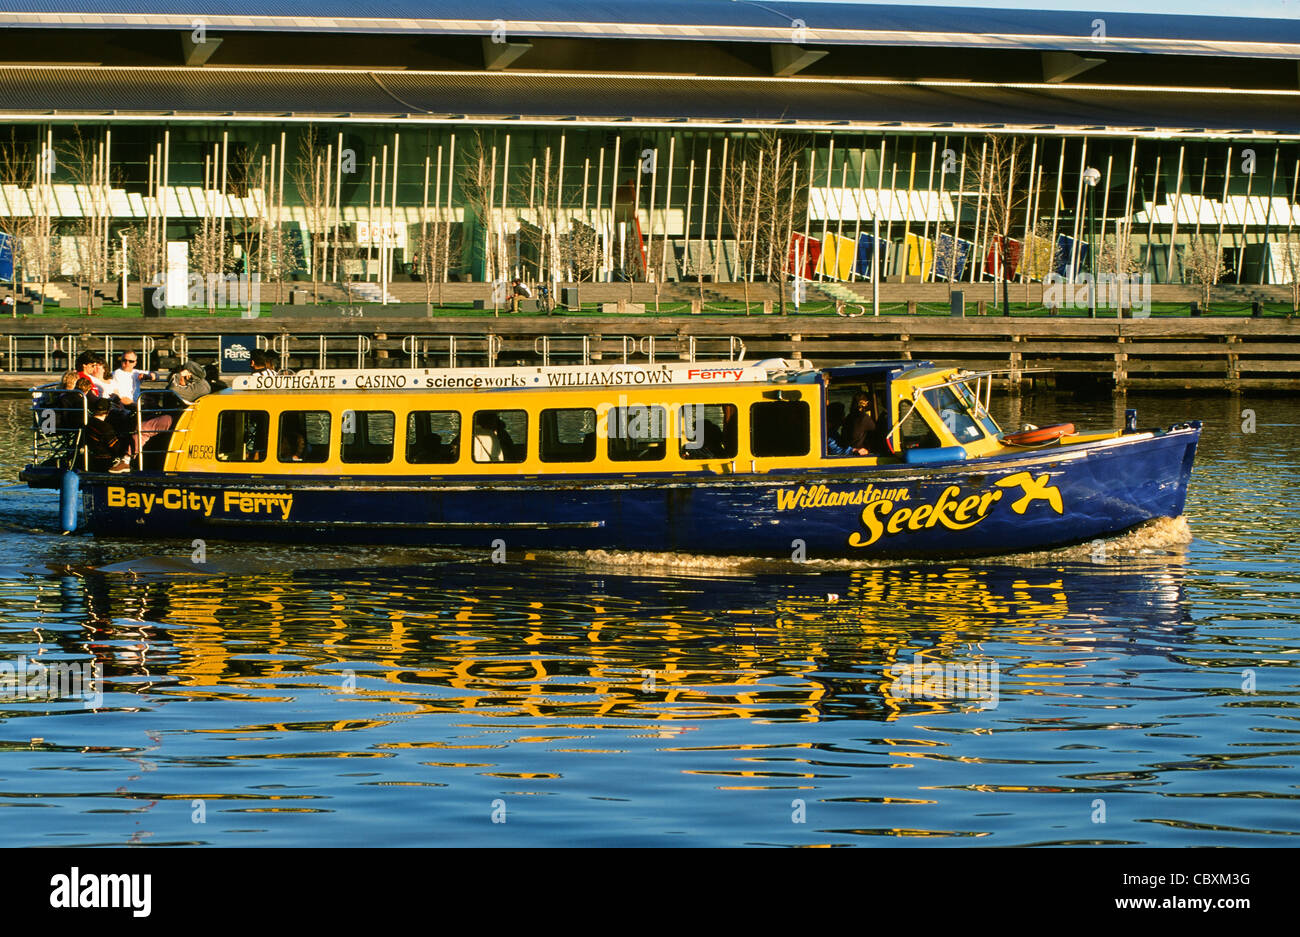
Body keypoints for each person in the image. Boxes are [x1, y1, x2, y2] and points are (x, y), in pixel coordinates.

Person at [84, 397, 132, 473]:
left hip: (91, 459)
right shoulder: (105, 428)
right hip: (106, 461)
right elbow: (116, 448)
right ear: (108, 412)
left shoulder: (88, 422)